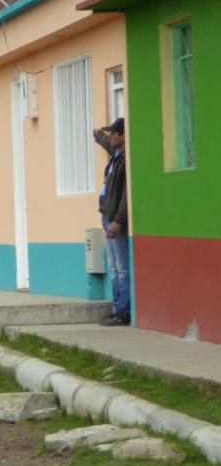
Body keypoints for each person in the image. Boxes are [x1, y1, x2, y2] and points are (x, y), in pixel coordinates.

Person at [95, 117, 131, 327]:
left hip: (117, 222)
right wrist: (98, 135)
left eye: (113, 134)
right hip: (107, 217)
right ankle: (117, 307)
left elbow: (126, 195)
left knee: (122, 268)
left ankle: (124, 311)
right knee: (114, 267)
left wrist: (118, 220)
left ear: (123, 136)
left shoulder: (126, 160)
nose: (110, 137)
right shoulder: (116, 156)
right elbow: (107, 142)